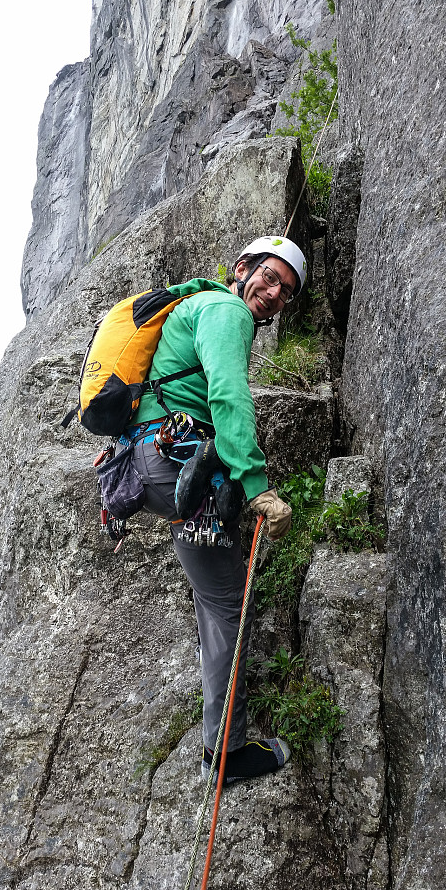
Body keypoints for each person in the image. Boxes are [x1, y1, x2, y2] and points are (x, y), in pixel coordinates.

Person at [126, 236, 307, 784]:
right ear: (243, 268)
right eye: (269, 278)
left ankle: (217, 748)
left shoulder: (201, 305)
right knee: (229, 606)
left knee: (217, 600)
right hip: (178, 466)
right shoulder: (227, 310)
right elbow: (229, 394)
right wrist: (257, 487)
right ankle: (225, 754)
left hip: (165, 468)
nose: (274, 294)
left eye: (286, 292)